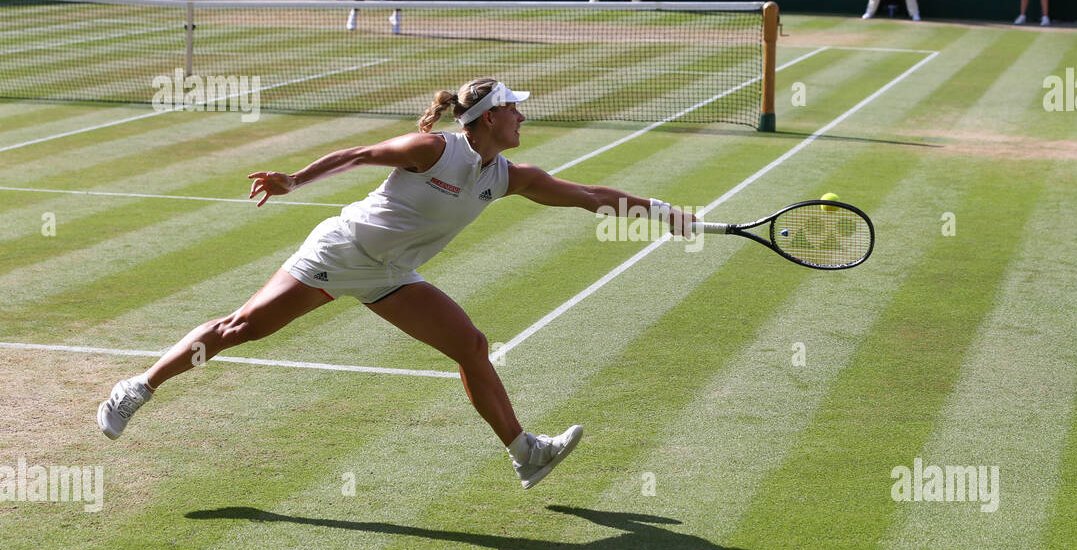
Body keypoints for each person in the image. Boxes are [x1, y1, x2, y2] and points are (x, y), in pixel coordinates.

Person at [94, 78, 699, 489]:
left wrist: (662, 212)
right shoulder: (432, 150)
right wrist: (294, 180)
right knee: (238, 329)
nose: (523, 117)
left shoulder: (508, 175)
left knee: (470, 346)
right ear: (489, 117)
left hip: (390, 275)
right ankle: (137, 387)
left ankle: (526, 454)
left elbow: (590, 197)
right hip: (341, 251)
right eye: (515, 109)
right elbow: (359, 154)